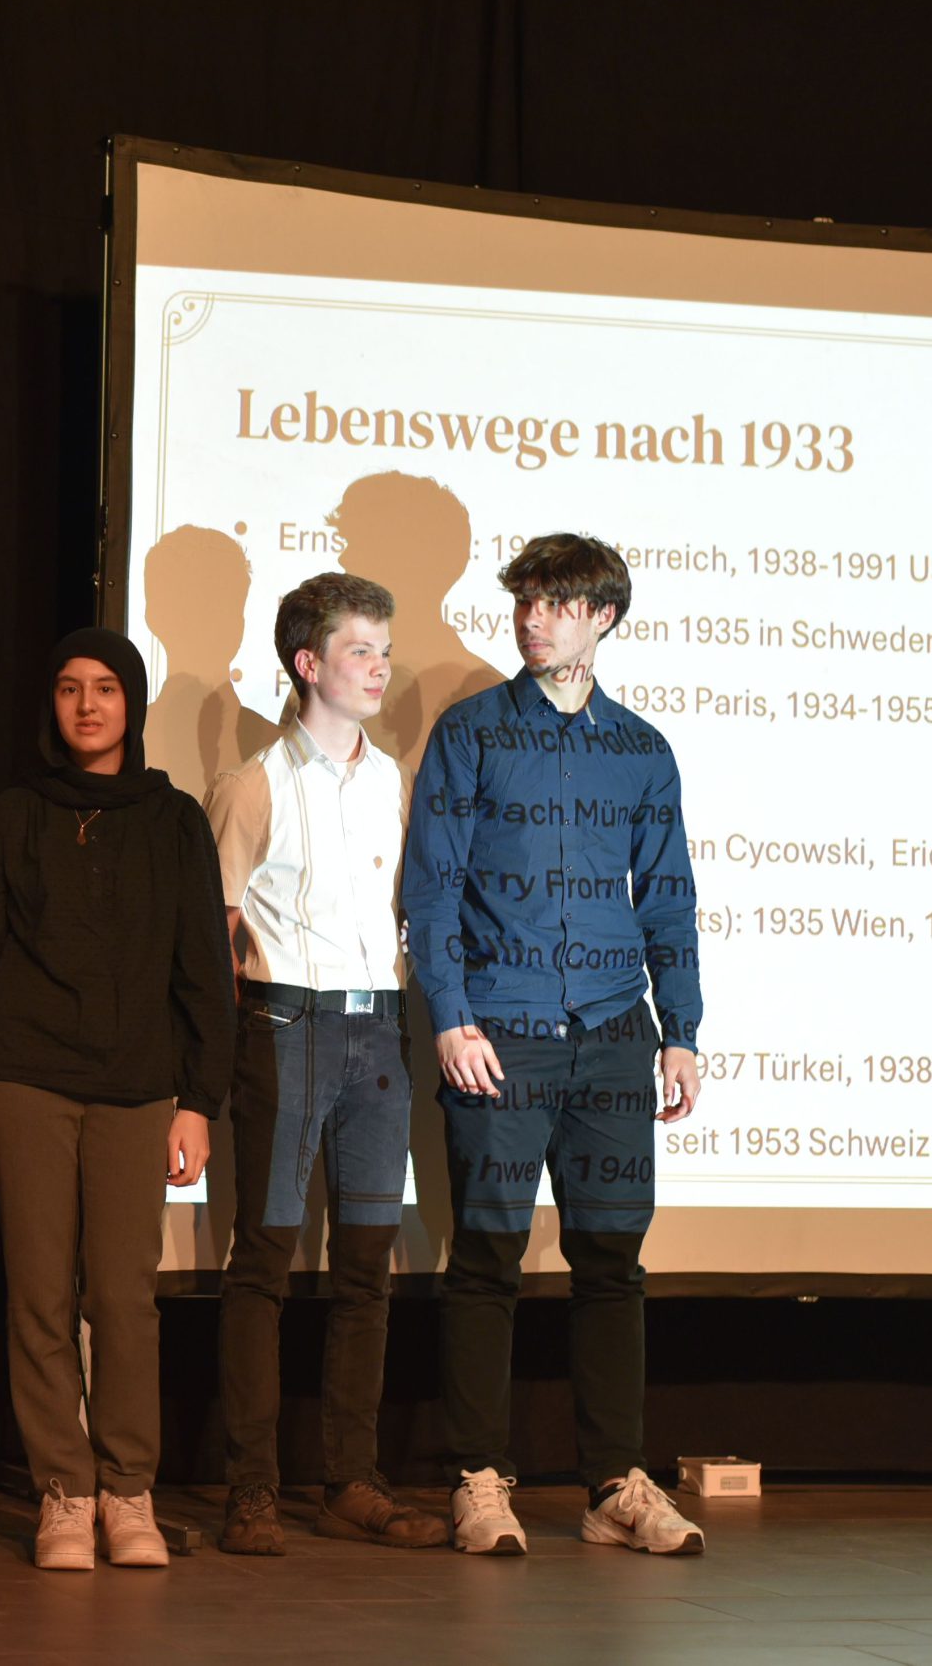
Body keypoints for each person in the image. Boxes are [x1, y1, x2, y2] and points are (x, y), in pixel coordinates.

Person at [402, 533, 708, 1557]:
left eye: (557, 603)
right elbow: (432, 888)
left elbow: (666, 895)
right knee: (487, 1254)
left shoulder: (641, 750)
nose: (532, 619)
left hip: (615, 1032)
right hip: (502, 1028)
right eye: (525, 600)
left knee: (611, 1261)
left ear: (602, 617)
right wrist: (451, 1013)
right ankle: (477, 1478)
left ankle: (614, 1485)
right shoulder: (472, 732)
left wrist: (681, 1030)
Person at [0, 626, 234, 1571]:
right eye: (68, 688)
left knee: (124, 1296)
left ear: (132, 702)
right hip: (22, 1079)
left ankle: (129, 1489)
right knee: (38, 1294)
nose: (87, 704)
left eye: (104, 687)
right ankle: (64, 1488)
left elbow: (203, 969)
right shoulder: (15, 814)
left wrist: (200, 1100)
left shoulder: (174, 819)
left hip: (138, 1088)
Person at [207, 574, 447, 1555]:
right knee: (263, 1261)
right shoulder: (254, 784)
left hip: (377, 1035)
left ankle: (351, 1477)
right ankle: (251, 1487)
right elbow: (218, 930)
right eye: (359, 650)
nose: (379, 668)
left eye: (383, 650)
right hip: (286, 1027)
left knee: (365, 1267)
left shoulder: (393, 780)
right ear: (308, 663)